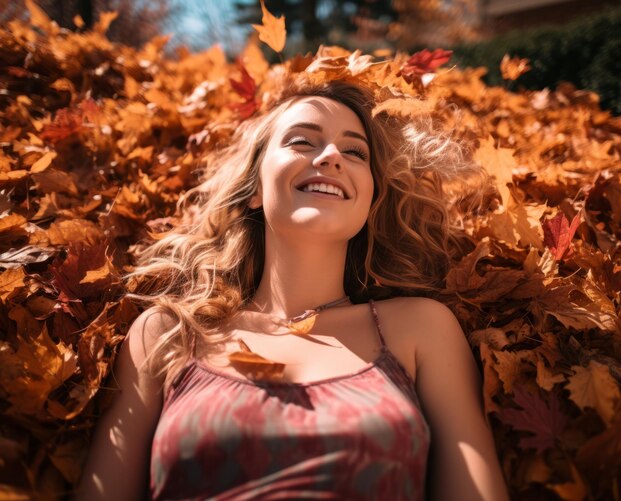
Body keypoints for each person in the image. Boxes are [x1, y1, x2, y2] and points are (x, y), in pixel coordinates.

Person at [76, 78, 510, 500]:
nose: (332, 156)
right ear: (254, 190)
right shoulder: (169, 334)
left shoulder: (420, 328)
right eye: (303, 141)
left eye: (355, 151)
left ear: (371, 200)